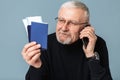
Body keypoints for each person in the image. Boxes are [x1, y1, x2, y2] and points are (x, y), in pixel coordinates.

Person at [21, 1, 112, 80]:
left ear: (86, 27)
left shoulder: (97, 43)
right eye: (61, 20)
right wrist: (37, 66)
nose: (64, 28)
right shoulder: (45, 42)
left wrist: (91, 56)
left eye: (72, 23)